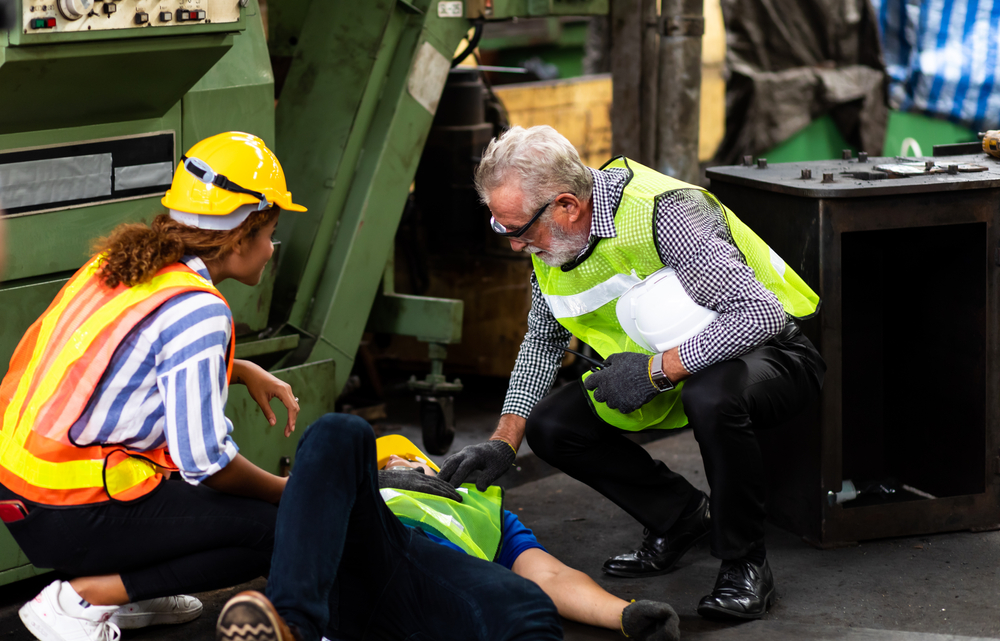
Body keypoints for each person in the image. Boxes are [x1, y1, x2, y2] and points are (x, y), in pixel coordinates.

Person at [437, 125, 826, 620]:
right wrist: (503, 441)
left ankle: (745, 564)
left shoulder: (664, 213)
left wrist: (657, 373)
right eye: (501, 227)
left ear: (567, 206)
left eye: (515, 229)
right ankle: (681, 516)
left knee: (712, 396)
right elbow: (542, 341)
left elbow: (759, 316)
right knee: (553, 427)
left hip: (772, 356)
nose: (514, 245)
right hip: (665, 368)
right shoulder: (550, 245)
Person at [0, 131, 305, 641]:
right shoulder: (200, 309)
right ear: (239, 237)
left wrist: (242, 369)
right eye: (270, 231)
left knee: (188, 496)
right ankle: (85, 597)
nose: (272, 248)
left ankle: (128, 593)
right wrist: (289, 493)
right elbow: (206, 462)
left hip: (23, 495)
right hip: (71, 513)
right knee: (275, 533)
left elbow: (120, 364)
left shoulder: (118, 265)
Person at [215, 418, 680, 641]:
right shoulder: (348, 498)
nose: (395, 461)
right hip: (349, 573)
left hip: (430, 586)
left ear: (432, 467)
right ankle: (292, 626)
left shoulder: (481, 508)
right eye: (382, 461)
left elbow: (551, 577)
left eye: (406, 458)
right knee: (339, 429)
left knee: (527, 606)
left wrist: (625, 614)